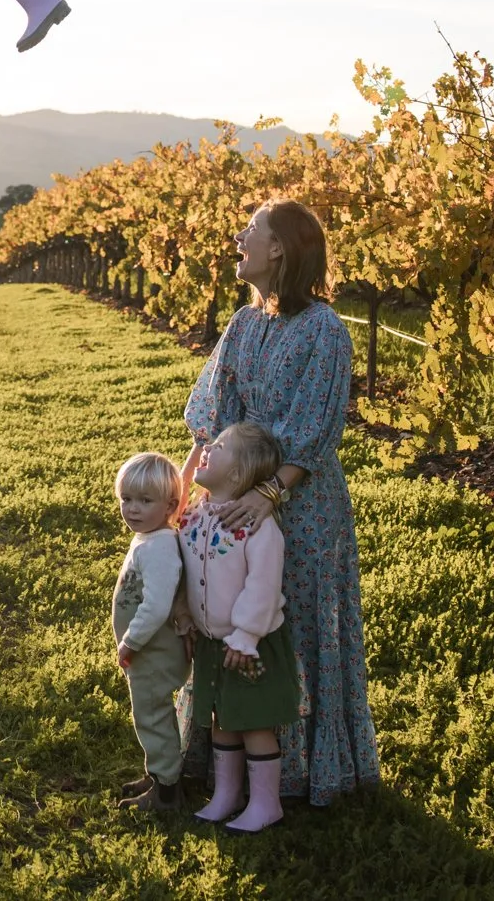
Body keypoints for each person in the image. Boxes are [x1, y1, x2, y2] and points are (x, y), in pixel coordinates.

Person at [181, 200, 380, 807]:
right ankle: (225, 763)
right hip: (234, 499)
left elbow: (316, 427)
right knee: (231, 615)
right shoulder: (243, 324)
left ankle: (300, 773)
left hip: (304, 503)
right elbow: (213, 414)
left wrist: (270, 494)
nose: (239, 237)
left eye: (252, 230)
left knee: (297, 624)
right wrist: (191, 488)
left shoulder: (326, 330)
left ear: (279, 250)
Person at [175, 422, 299, 833]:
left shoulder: (259, 526)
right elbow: (187, 573)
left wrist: (246, 636)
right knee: (222, 718)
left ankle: (266, 803)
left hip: (250, 644)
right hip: (212, 642)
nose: (207, 448)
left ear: (237, 474)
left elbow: (263, 585)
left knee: (255, 722)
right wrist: (186, 615)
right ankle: (226, 795)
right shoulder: (194, 514)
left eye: (221, 445)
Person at [109, 450, 192, 814]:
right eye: (126, 499)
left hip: (152, 652)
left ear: (170, 505)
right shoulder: (150, 537)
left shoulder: (159, 546)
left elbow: (157, 605)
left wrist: (130, 642)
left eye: (145, 501)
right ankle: (158, 774)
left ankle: (167, 792)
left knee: (153, 715)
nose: (133, 509)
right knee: (150, 714)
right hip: (148, 652)